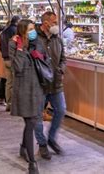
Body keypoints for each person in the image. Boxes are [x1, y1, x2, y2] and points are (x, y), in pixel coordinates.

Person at [10, 19, 44, 174]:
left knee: (31, 122)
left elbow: (44, 60)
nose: (33, 32)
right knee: (30, 122)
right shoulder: (14, 45)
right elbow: (18, 67)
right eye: (30, 29)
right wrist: (20, 48)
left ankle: (24, 148)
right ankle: (32, 162)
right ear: (22, 31)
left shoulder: (36, 42)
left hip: (36, 88)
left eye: (33, 28)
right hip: (23, 89)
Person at [35, 11, 67, 160]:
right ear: (46, 23)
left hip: (56, 83)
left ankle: (51, 138)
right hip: (39, 84)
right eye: (54, 22)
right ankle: (42, 143)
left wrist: (61, 68)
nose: (56, 25)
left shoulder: (57, 39)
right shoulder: (34, 38)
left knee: (60, 110)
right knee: (37, 116)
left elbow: (63, 58)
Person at [0, 15, 20, 111]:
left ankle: (9, 104)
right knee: (16, 82)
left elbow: (0, 45)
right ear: (17, 21)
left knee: (9, 82)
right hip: (13, 59)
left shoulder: (4, 31)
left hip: (6, 59)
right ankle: (15, 105)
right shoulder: (15, 31)